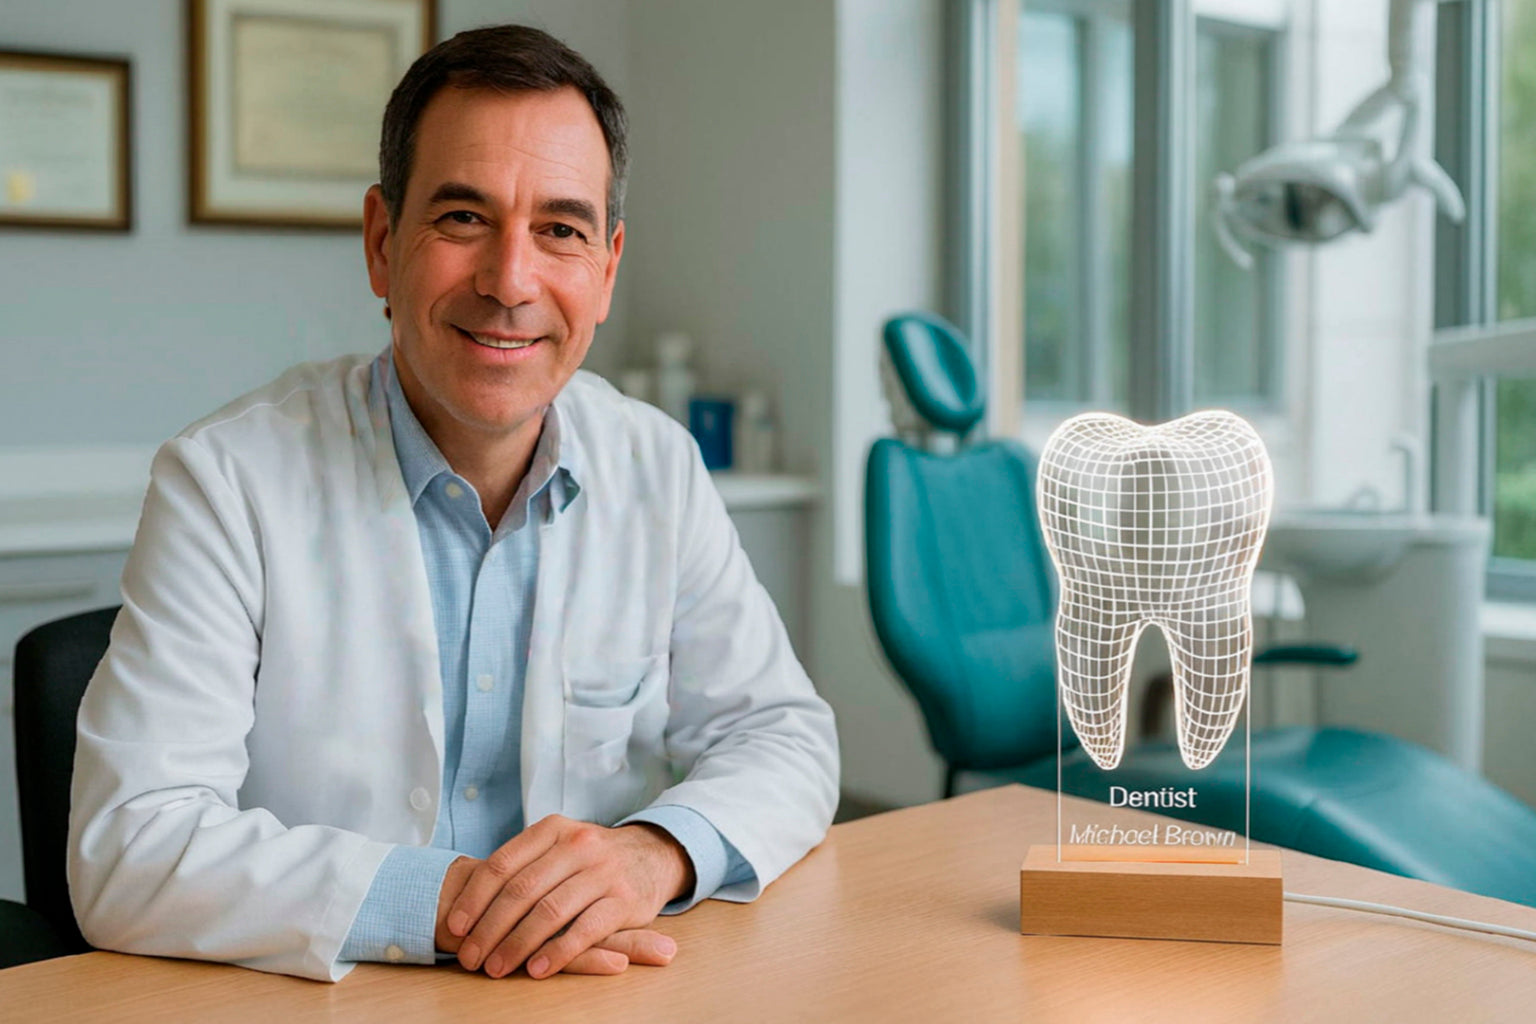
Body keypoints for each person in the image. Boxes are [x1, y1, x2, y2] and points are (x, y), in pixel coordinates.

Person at [67, 25, 839, 983]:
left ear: (605, 269)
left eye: (560, 229)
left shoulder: (658, 464)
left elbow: (784, 735)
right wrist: (458, 903)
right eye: (463, 218)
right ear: (384, 245)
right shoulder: (225, 481)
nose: (510, 281)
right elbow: (128, 848)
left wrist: (652, 855)